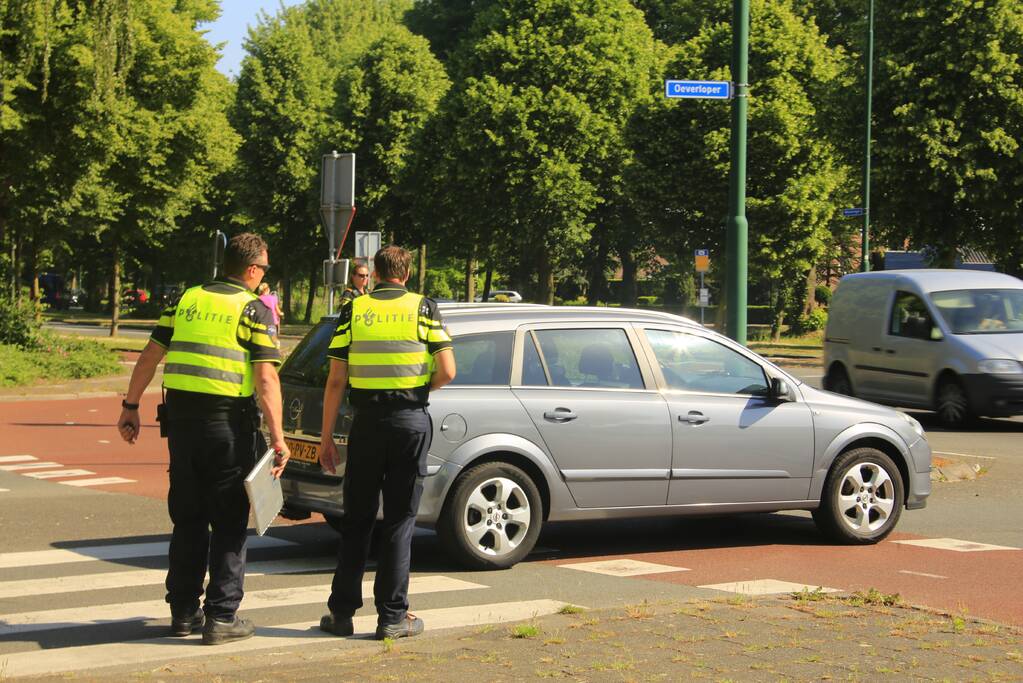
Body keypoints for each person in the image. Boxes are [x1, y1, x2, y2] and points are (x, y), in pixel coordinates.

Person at [116, 232, 290, 646]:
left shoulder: (186, 299)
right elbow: (266, 379)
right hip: (227, 428)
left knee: (188, 518)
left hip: (182, 427)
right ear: (251, 269)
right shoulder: (252, 309)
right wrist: (278, 439)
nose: (265, 275)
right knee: (229, 521)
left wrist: (130, 406)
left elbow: (150, 356)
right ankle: (222, 616)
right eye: (264, 268)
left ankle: (182, 613)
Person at [317, 245, 456, 640]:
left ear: (375, 273)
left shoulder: (355, 310)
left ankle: (341, 613)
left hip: (366, 425)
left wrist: (327, 438)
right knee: (399, 520)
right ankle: (392, 617)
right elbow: (448, 369)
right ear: (407, 274)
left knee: (357, 519)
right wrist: (414, 389)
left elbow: (336, 380)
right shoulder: (424, 308)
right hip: (410, 423)